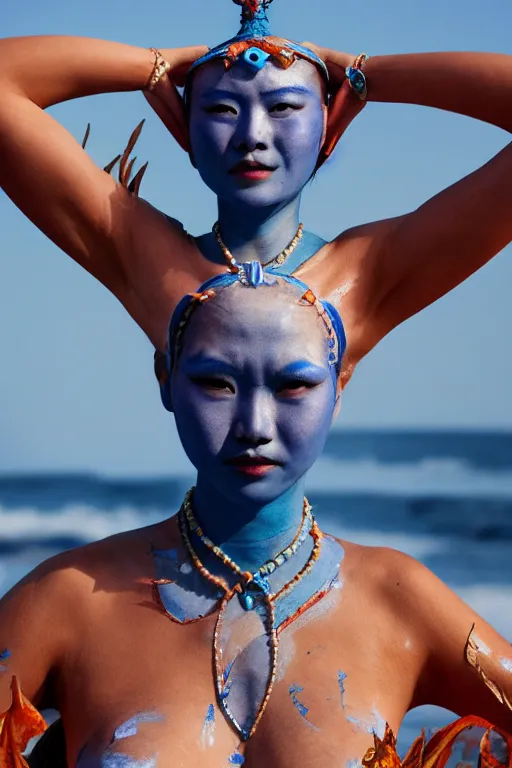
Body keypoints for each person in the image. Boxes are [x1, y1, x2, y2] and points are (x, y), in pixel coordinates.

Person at [1, 267, 511, 766]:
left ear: (340, 385)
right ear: (166, 378)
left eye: (293, 386)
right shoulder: (68, 601)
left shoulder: (401, 604)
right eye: (216, 383)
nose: (254, 426)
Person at [0, 0, 511, 389]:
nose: (252, 135)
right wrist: (150, 67)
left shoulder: (366, 275)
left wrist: (366, 75)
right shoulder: (141, 254)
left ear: (326, 130)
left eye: (284, 107)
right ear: (186, 133)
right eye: (222, 110)